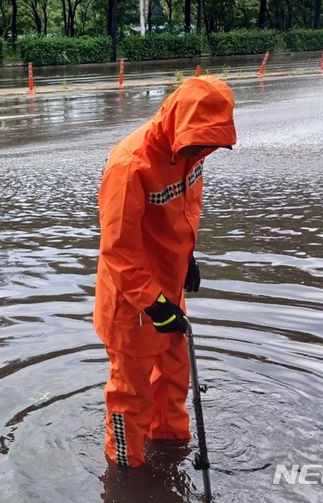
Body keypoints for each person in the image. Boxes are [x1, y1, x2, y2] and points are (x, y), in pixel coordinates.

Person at [94, 76, 237, 469]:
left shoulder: (193, 151)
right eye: (199, 143)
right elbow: (118, 251)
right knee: (130, 395)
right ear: (178, 121)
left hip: (170, 289)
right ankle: (127, 475)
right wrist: (154, 304)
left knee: (173, 381)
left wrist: (187, 259)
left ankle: (171, 451)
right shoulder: (129, 166)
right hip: (132, 303)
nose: (204, 152)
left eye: (210, 145)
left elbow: (186, 211)